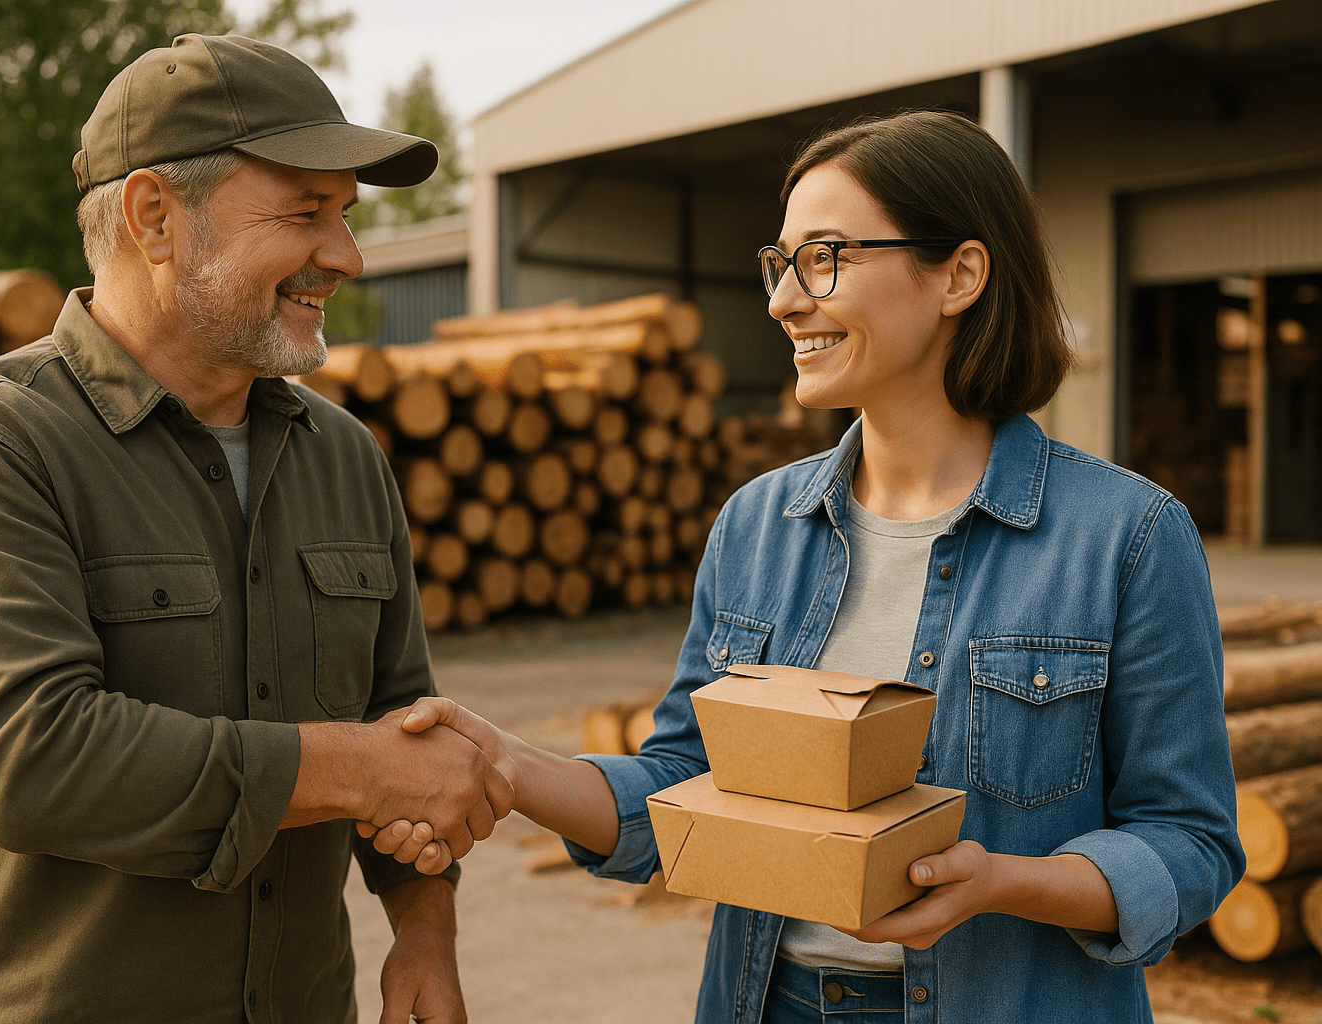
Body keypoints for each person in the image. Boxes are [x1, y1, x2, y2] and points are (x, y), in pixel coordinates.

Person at [365, 110, 1244, 1023]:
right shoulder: (757, 526)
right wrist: (509, 764)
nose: (784, 299)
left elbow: (1190, 844)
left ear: (960, 275)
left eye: (824, 257)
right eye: (780, 263)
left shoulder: (1128, 537)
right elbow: (685, 789)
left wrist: (1002, 883)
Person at [0, 33, 510, 1024]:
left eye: (344, 215)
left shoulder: (345, 456)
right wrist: (363, 767)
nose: (346, 256)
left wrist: (424, 929)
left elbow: (400, 721)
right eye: (305, 212)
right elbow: (32, 761)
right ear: (154, 217)